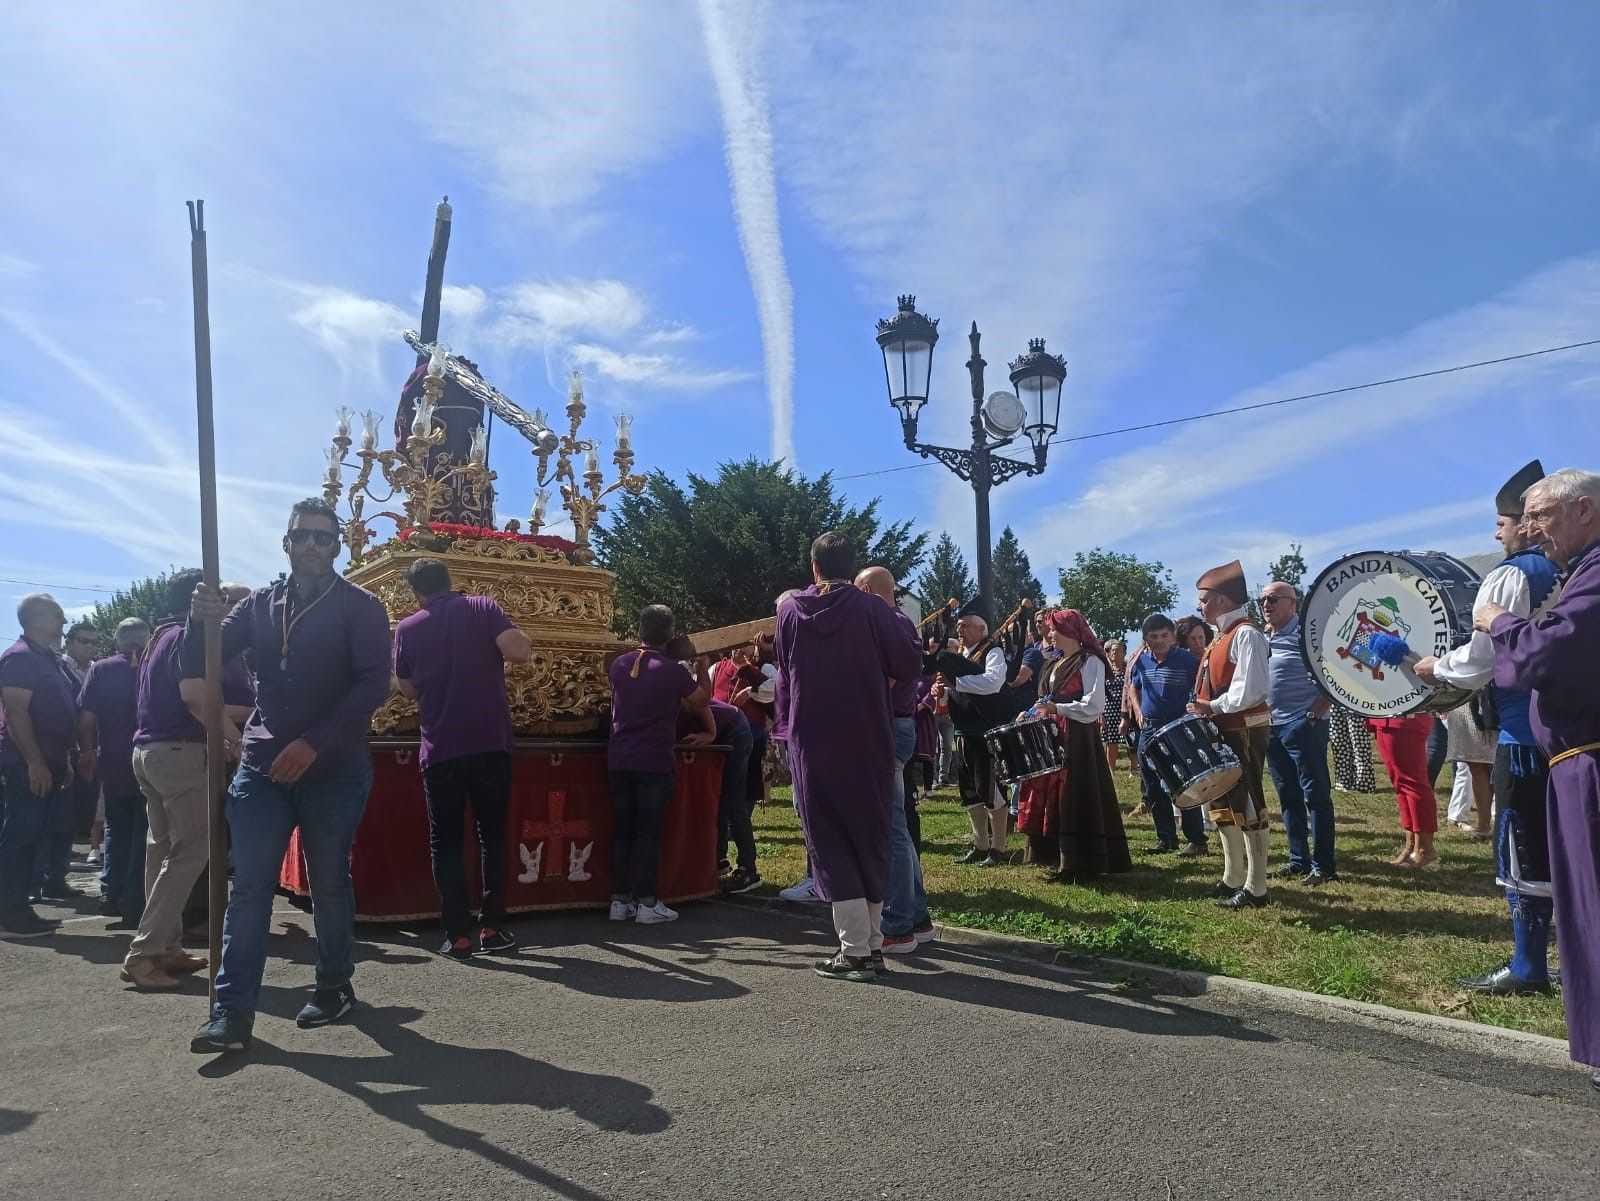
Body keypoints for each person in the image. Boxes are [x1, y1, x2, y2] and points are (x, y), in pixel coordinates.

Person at [186, 499, 393, 1054]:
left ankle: (333, 984)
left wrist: (315, 742)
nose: (312, 545)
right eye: (303, 534)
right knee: (250, 887)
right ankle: (231, 1013)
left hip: (335, 769)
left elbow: (374, 685)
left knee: (328, 882)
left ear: (336, 547)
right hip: (261, 766)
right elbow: (198, 661)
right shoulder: (255, 606)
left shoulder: (362, 607)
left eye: (323, 538)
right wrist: (198, 618)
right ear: (287, 540)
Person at [1412, 462, 1562, 993]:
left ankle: (1528, 966)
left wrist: (1432, 668)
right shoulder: (1580, 569)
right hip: (1576, 734)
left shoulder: (1512, 574)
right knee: (1570, 847)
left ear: (1526, 522)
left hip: (1525, 735)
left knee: (1521, 843)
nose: (1496, 533)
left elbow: (1482, 660)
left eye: (1501, 522)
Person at [1475, 466, 1600, 1092]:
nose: (1527, 528)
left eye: (1539, 514)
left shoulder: (1559, 574)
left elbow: (1541, 656)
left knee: (1574, 889)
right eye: (1519, 518)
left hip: (1581, 760)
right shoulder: (1577, 571)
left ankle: (1529, 965)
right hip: (1568, 755)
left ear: (1583, 510)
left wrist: (1495, 623)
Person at [775, 532, 918, 982]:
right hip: (866, 733)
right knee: (870, 830)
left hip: (812, 737)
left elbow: (783, 662)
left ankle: (854, 950)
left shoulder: (790, 609)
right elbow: (910, 663)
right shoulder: (874, 608)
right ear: (851, 568)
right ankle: (871, 944)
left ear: (814, 567)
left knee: (829, 838)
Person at [391, 557, 533, 960]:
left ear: (416, 591)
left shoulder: (407, 627)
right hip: (489, 743)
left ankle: (458, 934)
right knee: (492, 835)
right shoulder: (482, 607)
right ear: (451, 581)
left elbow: (408, 689)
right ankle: (492, 925)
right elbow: (519, 651)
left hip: (441, 749)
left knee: (446, 841)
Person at [608, 607, 714, 926]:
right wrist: (703, 668)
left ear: (640, 630)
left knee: (623, 832)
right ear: (669, 634)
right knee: (648, 835)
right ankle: (647, 902)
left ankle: (619, 900)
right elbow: (701, 701)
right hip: (653, 760)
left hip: (618, 758)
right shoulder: (671, 670)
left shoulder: (619, 663)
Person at [1015, 609, 1132, 880]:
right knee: (1051, 793)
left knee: (1074, 794)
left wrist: (1058, 708)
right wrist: (1030, 711)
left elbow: (1094, 705)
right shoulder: (1053, 662)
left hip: (1076, 736)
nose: (1050, 634)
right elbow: (1046, 699)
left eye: (1053, 629)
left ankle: (1078, 860)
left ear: (1069, 631)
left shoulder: (1090, 661)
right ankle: (1054, 853)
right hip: (1051, 735)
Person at [855, 565, 933, 955]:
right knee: (896, 825)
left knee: (892, 828)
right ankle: (916, 918)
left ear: (866, 589)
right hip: (898, 725)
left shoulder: (887, 622)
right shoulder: (901, 621)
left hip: (889, 725)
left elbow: (883, 677)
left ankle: (898, 925)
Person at [1187, 561, 1273, 909]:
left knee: (1248, 801)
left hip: (1243, 729)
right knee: (1221, 803)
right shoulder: (1221, 636)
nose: (1199, 606)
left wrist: (1213, 707)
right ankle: (1233, 876)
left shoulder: (1246, 634)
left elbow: (1252, 689)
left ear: (1222, 600)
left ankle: (1257, 886)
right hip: (1223, 728)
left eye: (1204, 599)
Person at [0, 594, 77, 940]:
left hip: (51, 760)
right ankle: (9, 914)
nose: (63, 621)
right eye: (57, 615)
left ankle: (20, 908)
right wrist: (34, 762)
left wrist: (64, 760)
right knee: (21, 836)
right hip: (27, 763)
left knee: (33, 836)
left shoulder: (49, 659)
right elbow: (16, 713)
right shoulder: (19, 658)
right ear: (36, 618)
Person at [665, 635, 759, 895]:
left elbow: (704, 705)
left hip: (735, 730)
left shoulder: (685, 697)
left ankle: (749, 869)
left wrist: (708, 735)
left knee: (733, 802)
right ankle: (716, 861)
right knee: (715, 799)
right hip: (724, 730)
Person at [1258, 581, 1337, 884]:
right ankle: (1298, 859)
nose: (1266, 604)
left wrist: (1316, 713)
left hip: (1303, 725)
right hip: (1273, 726)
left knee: (1315, 796)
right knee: (1287, 795)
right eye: (1262, 599)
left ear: (1293, 603)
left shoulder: (1307, 635)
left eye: (1274, 599)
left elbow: (1333, 673)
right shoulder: (1264, 638)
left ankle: (1323, 865)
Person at [75, 617, 151, 927]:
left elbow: (86, 717)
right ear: (145, 639)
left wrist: (87, 751)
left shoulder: (101, 669)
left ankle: (111, 893)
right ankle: (134, 900)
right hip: (147, 756)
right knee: (144, 830)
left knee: (116, 827)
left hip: (114, 759)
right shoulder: (155, 665)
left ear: (119, 641)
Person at [1125, 612, 1207, 855]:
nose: (1159, 640)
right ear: (1145, 639)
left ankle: (1196, 840)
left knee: (1184, 783)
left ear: (1172, 636)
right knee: (1152, 785)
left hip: (1178, 728)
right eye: (1153, 636)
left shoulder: (1188, 661)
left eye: (1164, 635)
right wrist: (1138, 710)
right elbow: (1133, 686)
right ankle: (1166, 838)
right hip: (1149, 728)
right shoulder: (1141, 661)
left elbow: (1201, 687)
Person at [940, 599, 1012, 866]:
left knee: (989, 787)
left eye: (965, 626)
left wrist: (956, 682)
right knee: (969, 791)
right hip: (962, 731)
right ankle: (980, 844)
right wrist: (945, 692)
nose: (960, 631)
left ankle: (999, 848)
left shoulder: (993, 651)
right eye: (959, 626)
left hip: (984, 731)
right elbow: (960, 691)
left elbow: (993, 683)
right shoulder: (962, 656)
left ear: (980, 629)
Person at [1369, 713, 1438, 868]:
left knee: (1413, 785)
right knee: (1400, 785)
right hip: (1384, 717)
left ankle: (1425, 848)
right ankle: (1411, 846)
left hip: (1405, 718)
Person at [1329, 708, 1378, 792]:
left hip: (1356, 702)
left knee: (1360, 743)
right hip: (1335, 701)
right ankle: (1343, 782)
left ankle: (1363, 783)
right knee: (1338, 742)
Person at [1100, 638, 1129, 774]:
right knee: (1111, 739)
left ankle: (1134, 768)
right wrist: (1100, 713)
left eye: (1118, 651)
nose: (1114, 653)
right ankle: (1109, 769)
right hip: (1109, 708)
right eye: (1112, 651)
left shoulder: (1128, 669)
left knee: (1130, 739)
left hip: (1126, 708)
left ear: (1124, 653)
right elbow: (1099, 692)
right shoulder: (1104, 671)